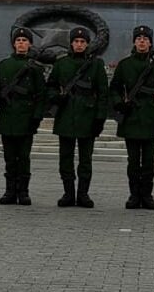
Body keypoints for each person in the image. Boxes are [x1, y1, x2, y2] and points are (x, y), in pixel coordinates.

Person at [46, 25, 108, 208]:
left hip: (87, 117)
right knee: (65, 158)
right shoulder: (61, 63)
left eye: (82, 42)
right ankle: (68, 193)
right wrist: (56, 97)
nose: (79, 44)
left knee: (85, 160)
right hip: (65, 115)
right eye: (76, 41)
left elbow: (103, 93)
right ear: (71, 43)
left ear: (87, 44)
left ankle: (83, 194)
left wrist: (99, 118)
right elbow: (50, 86)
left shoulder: (96, 65)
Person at [110, 24, 154, 210]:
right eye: (138, 39)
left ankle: (147, 195)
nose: (142, 41)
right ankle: (134, 195)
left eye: (145, 39)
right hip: (131, 118)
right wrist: (121, 103)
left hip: (151, 119)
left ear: (150, 43)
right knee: (133, 161)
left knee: (149, 162)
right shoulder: (125, 65)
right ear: (134, 42)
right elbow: (114, 89)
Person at [0, 26, 46, 205]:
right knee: (9, 157)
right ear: (14, 44)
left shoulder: (35, 68)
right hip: (8, 115)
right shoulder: (4, 64)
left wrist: (36, 118)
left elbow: (41, 95)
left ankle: (24, 191)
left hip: (26, 117)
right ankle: (9, 191)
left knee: (24, 157)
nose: (21, 43)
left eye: (24, 41)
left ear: (30, 44)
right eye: (18, 40)